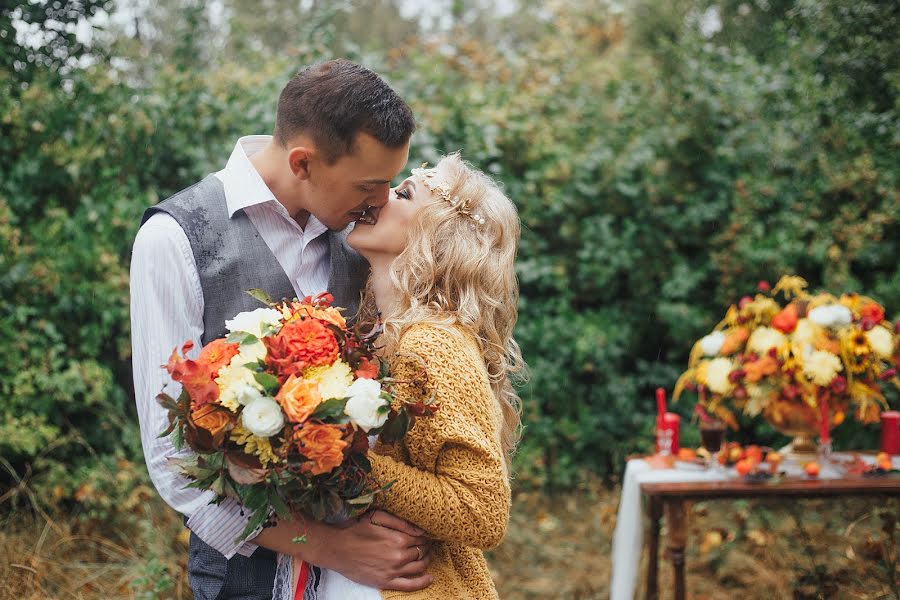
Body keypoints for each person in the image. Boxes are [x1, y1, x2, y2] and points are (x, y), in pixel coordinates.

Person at [130, 59, 435, 600]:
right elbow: (173, 460)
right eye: (370, 185)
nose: (383, 202)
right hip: (242, 579)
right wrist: (324, 547)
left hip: (371, 577)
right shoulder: (175, 240)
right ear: (303, 163)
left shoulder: (367, 237)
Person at [284, 153, 524, 599]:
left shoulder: (433, 344)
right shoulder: (375, 335)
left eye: (404, 193)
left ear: (437, 234)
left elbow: (482, 510)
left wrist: (342, 458)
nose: (380, 196)